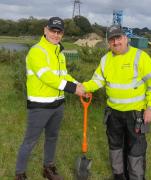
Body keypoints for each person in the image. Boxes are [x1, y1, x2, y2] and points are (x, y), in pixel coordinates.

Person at [82, 25, 151, 180]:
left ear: (125, 38)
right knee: (115, 146)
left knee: (135, 150)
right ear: (108, 42)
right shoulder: (105, 60)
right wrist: (82, 87)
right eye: (112, 39)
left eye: (118, 38)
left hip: (136, 114)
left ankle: (136, 177)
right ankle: (118, 175)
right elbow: (97, 81)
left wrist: (150, 107)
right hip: (113, 113)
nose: (115, 42)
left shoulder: (141, 56)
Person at [15, 17, 84, 180]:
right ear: (45, 30)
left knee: (52, 137)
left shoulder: (59, 53)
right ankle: (19, 174)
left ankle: (48, 168)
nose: (56, 34)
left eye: (59, 32)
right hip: (39, 106)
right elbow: (47, 77)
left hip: (58, 104)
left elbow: (63, 75)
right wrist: (73, 89)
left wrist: (79, 85)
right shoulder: (37, 51)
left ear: (62, 34)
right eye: (53, 30)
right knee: (30, 141)